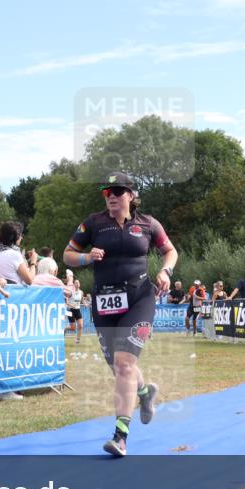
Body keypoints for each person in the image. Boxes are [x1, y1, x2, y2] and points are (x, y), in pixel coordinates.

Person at [63, 171, 177, 457]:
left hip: (139, 298)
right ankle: (145, 393)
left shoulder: (148, 224)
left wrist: (165, 271)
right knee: (119, 367)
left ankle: (120, 436)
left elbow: (170, 251)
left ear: (131, 195)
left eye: (117, 191)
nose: (111, 196)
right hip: (104, 301)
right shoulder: (93, 223)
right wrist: (86, 257)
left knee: (125, 364)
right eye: (107, 192)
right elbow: (67, 255)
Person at [0, 221, 33, 285]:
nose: (21, 238)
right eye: (21, 235)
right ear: (16, 237)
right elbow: (29, 281)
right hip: (12, 291)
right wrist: (33, 263)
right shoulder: (15, 254)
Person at [65, 276, 85, 343]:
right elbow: (66, 302)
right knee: (73, 328)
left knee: (81, 326)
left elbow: (82, 300)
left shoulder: (81, 292)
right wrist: (72, 305)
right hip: (70, 310)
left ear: (79, 284)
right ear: (74, 284)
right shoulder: (71, 292)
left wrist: (85, 304)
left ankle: (78, 340)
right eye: (76, 283)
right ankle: (64, 329)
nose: (77, 284)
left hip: (77, 310)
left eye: (78, 283)